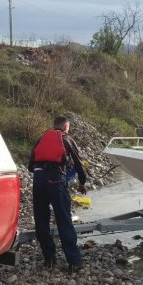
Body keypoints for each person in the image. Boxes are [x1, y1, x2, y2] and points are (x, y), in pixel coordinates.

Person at [28, 116, 87, 271]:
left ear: (54, 126)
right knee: (63, 219)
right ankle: (74, 262)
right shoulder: (66, 138)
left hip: (38, 180)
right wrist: (82, 182)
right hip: (56, 180)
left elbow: (30, 166)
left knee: (41, 220)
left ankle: (49, 259)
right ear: (66, 127)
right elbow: (79, 163)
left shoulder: (41, 137)